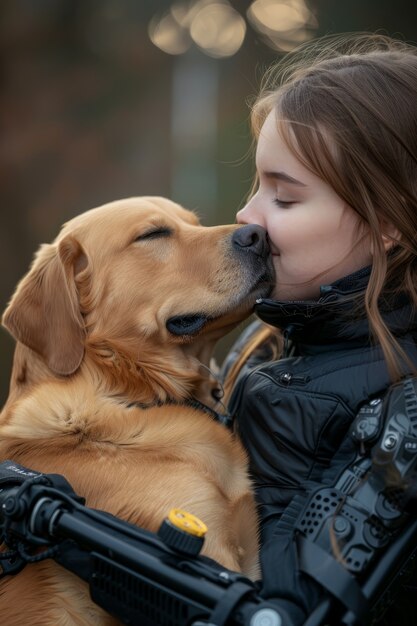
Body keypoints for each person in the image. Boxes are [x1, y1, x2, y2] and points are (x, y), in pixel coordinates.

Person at [222, 33, 417, 625]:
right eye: (257, 186)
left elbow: (293, 606)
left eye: (282, 198)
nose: (246, 217)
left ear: (386, 225)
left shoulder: (403, 412)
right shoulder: (264, 340)